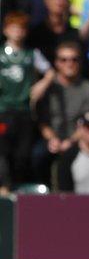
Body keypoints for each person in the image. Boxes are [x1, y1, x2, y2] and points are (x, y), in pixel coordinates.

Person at [31, 40, 89, 185]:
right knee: (37, 155)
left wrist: (71, 141)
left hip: (79, 139)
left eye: (74, 59)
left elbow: (88, 122)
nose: (70, 63)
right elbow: (42, 121)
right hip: (51, 137)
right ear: (56, 63)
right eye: (64, 59)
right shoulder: (48, 88)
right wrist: (52, 139)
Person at [1, 10, 49, 189]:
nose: (17, 32)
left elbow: (50, 72)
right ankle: (4, 186)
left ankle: (18, 187)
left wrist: (41, 84)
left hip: (24, 111)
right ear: (6, 30)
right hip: (4, 111)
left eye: (21, 28)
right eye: (13, 28)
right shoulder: (1, 54)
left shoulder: (31, 54)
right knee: (3, 149)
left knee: (23, 153)